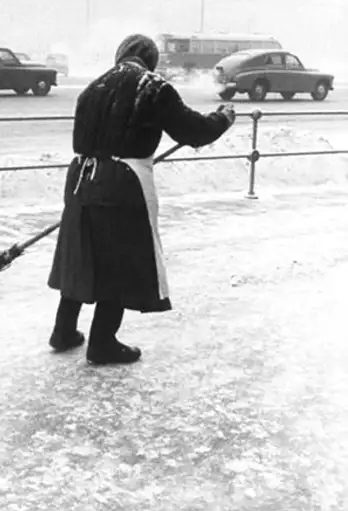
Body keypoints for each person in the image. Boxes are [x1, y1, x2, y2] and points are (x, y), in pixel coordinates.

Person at [47, 33, 236, 366]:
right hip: (120, 183)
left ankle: (63, 331)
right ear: (151, 60)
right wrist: (223, 118)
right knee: (116, 262)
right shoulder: (153, 87)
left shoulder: (94, 87)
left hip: (80, 178)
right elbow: (194, 131)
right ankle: (102, 343)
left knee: (82, 254)